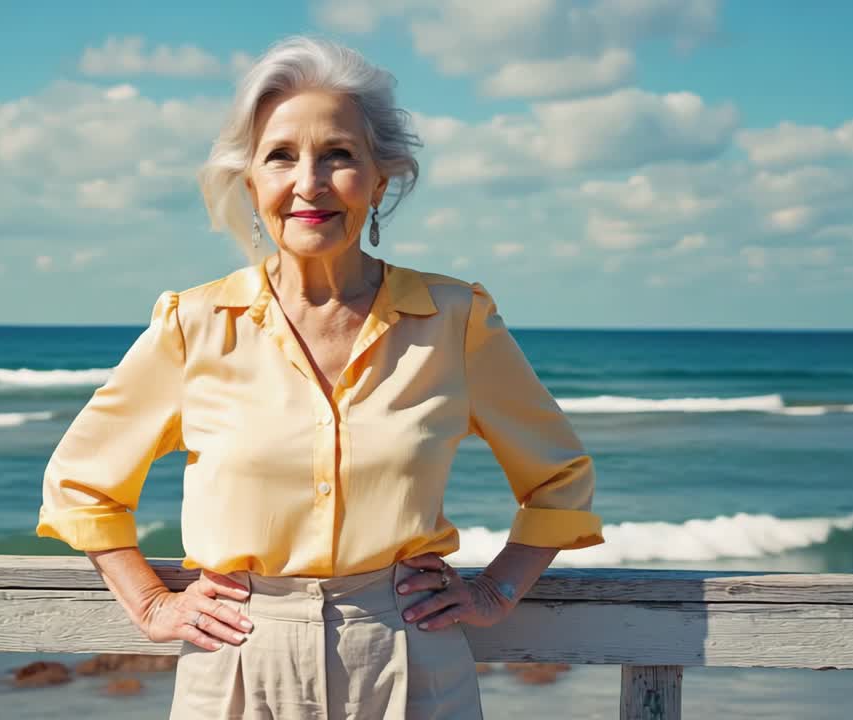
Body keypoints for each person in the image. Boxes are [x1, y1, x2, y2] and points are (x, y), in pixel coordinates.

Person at [36, 35, 604, 719]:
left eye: (338, 154)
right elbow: (81, 484)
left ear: (380, 177)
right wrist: (151, 602)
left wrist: (496, 591)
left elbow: (559, 477)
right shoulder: (194, 324)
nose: (309, 183)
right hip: (237, 658)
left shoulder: (455, 320)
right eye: (281, 156)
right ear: (251, 182)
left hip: (412, 656)